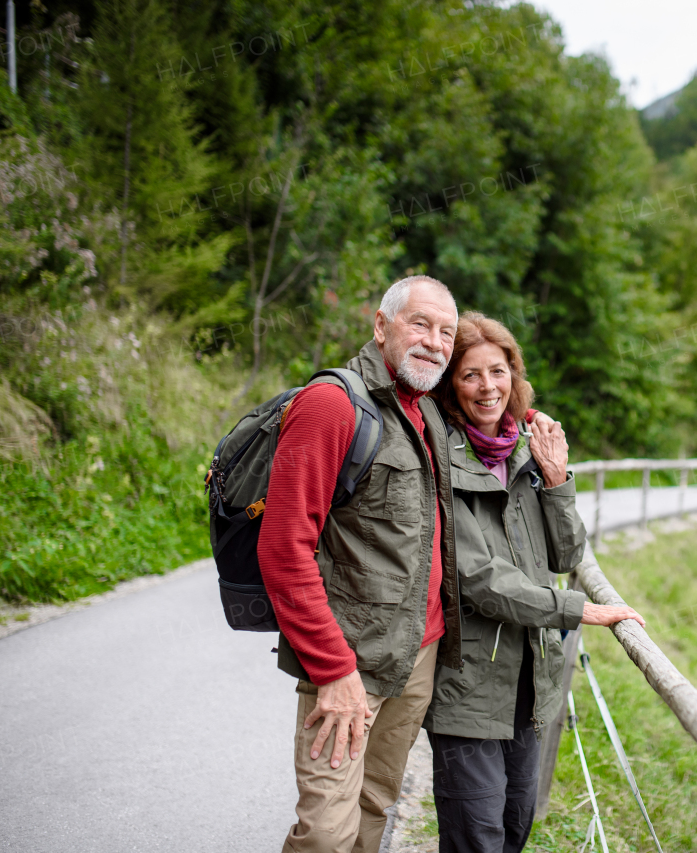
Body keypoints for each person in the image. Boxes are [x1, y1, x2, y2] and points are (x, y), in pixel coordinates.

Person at [257, 274, 464, 853]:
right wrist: (331, 671)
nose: (435, 341)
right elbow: (282, 548)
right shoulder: (333, 404)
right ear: (380, 325)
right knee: (326, 834)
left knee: (374, 807)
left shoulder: (425, 415)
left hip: (417, 657)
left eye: (446, 332)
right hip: (349, 663)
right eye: (419, 323)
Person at [424, 312, 644, 853]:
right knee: (478, 836)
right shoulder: (440, 458)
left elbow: (567, 553)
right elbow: (477, 577)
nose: (487, 387)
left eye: (497, 371)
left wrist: (556, 479)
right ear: (452, 385)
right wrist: (577, 609)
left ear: (514, 375)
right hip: (468, 684)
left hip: (530, 683)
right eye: (470, 374)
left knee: (516, 825)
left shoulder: (526, 450)